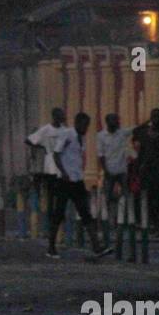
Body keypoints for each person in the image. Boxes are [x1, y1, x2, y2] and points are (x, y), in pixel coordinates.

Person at [28, 109, 110, 258]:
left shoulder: (81, 138)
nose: (86, 129)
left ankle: (97, 247)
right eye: (84, 125)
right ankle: (51, 248)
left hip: (77, 180)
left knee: (86, 214)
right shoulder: (67, 135)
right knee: (59, 214)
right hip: (65, 181)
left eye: (88, 126)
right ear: (77, 123)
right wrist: (64, 172)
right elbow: (57, 154)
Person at [132, 109, 159, 235]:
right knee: (147, 199)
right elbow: (135, 132)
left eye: (157, 117)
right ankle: (150, 224)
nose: (155, 119)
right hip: (146, 170)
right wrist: (146, 123)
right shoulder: (145, 132)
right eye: (153, 117)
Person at [96, 113, 133, 227]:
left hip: (122, 170)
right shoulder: (101, 136)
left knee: (125, 195)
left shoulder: (121, 133)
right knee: (106, 197)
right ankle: (103, 221)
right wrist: (105, 170)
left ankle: (126, 220)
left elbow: (134, 129)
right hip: (109, 170)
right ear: (108, 122)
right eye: (116, 120)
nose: (118, 122)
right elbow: (101, 155)